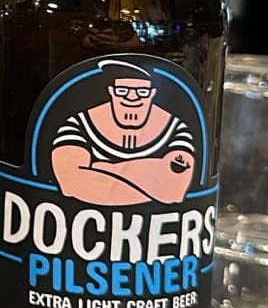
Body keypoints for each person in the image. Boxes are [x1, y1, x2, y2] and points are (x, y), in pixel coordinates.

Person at [49, 59, 196, 206]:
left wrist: (104, 168)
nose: (132, 98)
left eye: (142, 92)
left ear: (152, 93)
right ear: (111, 91)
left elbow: (174, 189)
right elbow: (70, 183)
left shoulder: (175, 128)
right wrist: (154, 179)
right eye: (122, 91)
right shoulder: (79, 124)